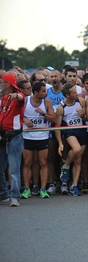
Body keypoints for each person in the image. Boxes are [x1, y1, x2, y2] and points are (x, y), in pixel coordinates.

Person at [21, 81, 56, 199]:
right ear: (36, 93)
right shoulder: (26, 100)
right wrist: (25, 120)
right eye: (43, 91)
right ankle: (26, 189)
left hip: (42, 136)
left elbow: (54, 119)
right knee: (27, 163)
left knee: (43, 163)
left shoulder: (46, 102)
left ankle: (43, 189)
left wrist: (43, 113)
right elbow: (17, 114)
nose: (46, 93)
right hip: (27, 136)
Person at [55, 83, 88, 196]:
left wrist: (83, 115)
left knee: (78, 160)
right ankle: (66, 166)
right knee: (77, 149)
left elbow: (87, 117)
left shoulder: (81, 101)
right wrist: (60, 143)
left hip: (82, 132)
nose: (77, 93)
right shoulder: (61, 107)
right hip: (70, 132)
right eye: (73, 92)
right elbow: (57, 127)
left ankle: (74, 185)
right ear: (68, 95)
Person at [0, 74, 25, 207]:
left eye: (2, 82)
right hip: (3, 136)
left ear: (7, 84)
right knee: (0, 168)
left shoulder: (18, 97)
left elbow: (21, 98)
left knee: (14, 169)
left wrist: (16, 96)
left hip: (14, 136)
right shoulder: (3, 99)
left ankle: (15, 197)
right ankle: (4, 194)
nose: (0, 84)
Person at [46, 70, 65, 195]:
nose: (54, 78)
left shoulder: (66, 91)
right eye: (51, 76)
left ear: (60, 77)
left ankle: (64, 182)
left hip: (64, 126)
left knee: (64, 156)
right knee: (51, 156)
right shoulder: (47, 93)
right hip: (51, 126)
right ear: (49, 79)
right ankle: (51, 183)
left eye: (56, 76)